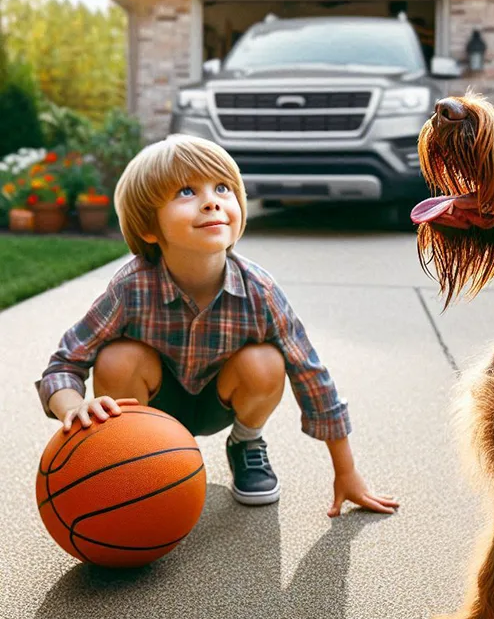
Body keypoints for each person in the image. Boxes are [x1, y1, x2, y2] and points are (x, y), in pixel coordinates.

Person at [36, 134, 398, 518]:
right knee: (116, 358)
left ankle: (246, 444)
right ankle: (133, 456)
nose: (212, 201)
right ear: (149, 228)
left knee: (267, 361)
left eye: (222, 188)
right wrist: (73, 407)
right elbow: (64, 364)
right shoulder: (131, 287)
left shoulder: (259, 291)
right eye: (187, 192)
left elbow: (310, 374)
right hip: (152, 406)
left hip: (221, 402)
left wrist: (347, 471)